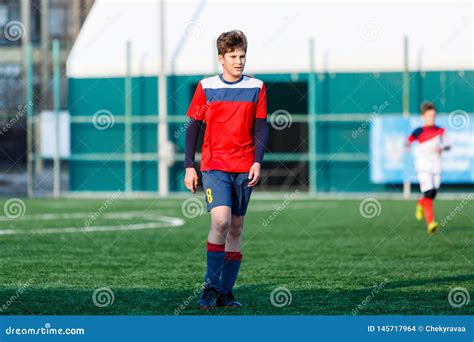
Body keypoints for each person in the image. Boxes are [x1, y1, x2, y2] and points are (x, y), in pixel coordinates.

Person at [183, 30, 268, 309]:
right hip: (215, 165)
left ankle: (226, 293)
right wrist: (189, 165)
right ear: (221, 58)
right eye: (233, 56)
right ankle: (210, 287)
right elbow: (193, 127)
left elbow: (260, 127)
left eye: (242, 55)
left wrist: (257, 160)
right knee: (220, 220)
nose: (239, 61)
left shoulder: (257, 86)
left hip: (245, 167)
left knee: (236, 226)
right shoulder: (206, 87)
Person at [406, 101, 450, 234]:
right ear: (423, 116)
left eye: (434, 115)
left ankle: (420, 203)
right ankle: (431, 223)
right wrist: (406, 147)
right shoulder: (418, 131)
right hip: (423, 166)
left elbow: (448, 145)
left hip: (436, 165)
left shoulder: (440, 130)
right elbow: (407, 142)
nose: (432, 118)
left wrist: (441, 147)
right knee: (429, 192)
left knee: (433, 194)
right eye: (429, 115)